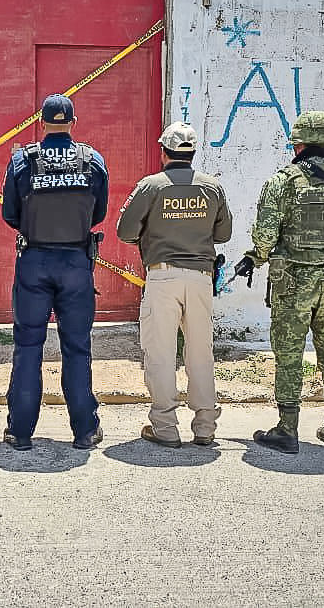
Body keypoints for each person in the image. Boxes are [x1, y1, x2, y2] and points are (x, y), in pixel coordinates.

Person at [242, 111, 324, 454]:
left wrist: (256, 255)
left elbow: (266, 236)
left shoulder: (283, 181)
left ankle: (287, 429)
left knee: (288, 355)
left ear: (298, 143)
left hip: (293, 284)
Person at [1, 94, 109, 451]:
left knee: (28, 346)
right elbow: (99, 213)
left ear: (42, 122)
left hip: (34, 261)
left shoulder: (22, 160)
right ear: (73, 123)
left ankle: (20, 432)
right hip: (76, 262)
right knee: (77, 348)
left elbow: (10, 215)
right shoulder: (92, 162)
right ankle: (84, 431)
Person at [116, 122, 232, 447]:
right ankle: (205, 427)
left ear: (163, 152)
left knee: (161, 353)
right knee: (200, 353)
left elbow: (124, 231)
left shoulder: (151, 187)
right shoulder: (212, 188)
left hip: (163, 276)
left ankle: (165, 427)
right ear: (193, 153)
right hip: (200, 279)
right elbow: (223, 234)